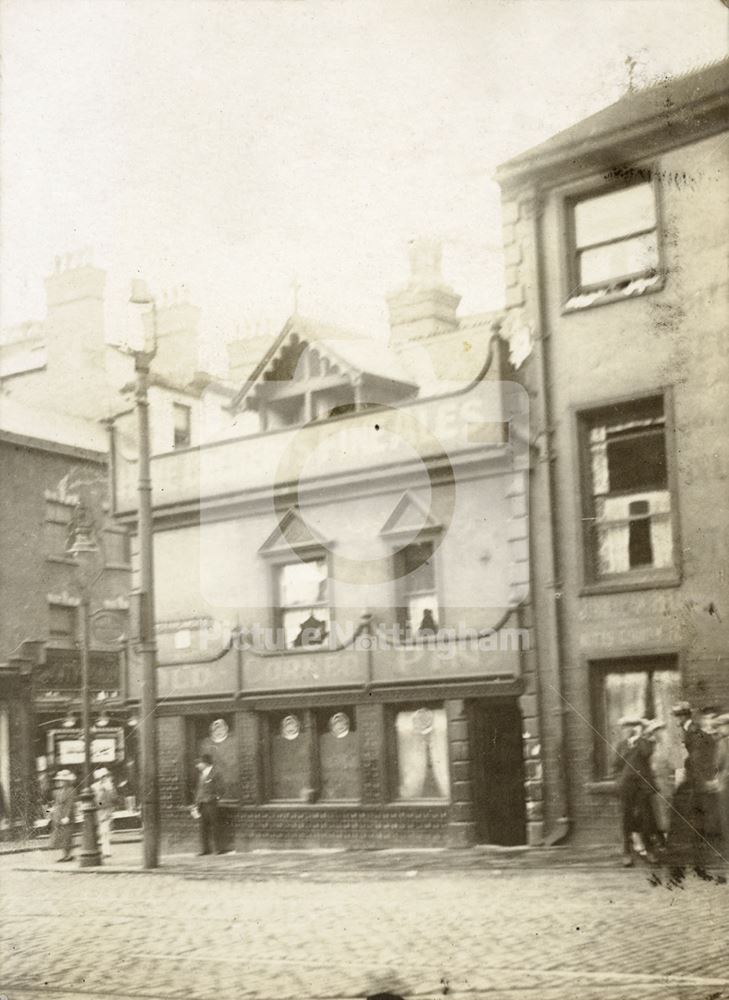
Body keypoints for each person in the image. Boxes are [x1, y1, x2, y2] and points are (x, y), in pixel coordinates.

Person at [615, 718, 661, 867]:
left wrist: (640, 737)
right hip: (626, 786)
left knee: (646, 818)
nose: (627, 730)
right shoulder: (621, 745)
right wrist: (619, 781)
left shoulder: (645, 743)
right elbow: (615, 765)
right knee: (626, 818)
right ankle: (626, 852)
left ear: (636, 728)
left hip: (643, 787)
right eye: (624, 727)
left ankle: (650, 850)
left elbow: (647, 753)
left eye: (630, 727)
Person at [193, 753, 223, 856]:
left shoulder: (215, 773)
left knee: (215, 826)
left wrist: (215, 798)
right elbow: (199, 790)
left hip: (211, 804)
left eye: (199, 763)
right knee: (203, 827)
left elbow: (221, 788)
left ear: (205, 763)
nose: (198, 765)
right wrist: (196, 804)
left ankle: (217, 849)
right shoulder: (201, 775)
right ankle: (205, 849)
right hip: (202, 804)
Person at [50, 770, 76, 862]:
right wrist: (52, 811)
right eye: (60, 780)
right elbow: (56, 803)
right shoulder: (58, 791)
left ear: (67, 781)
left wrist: (67, 816)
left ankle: (68, 855)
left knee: (67, 836)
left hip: (66, 816)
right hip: (59, 815)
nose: (60, 782)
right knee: (60, 836)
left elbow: (70, 804)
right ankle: (64, 854)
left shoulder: (71, 790)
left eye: (63, 780)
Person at [714, 712, 729, 863]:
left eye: (721, 726)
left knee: (725, 817)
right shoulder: (722, 741)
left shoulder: (722, 743)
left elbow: (718, 763)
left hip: (725, 783)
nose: (719, 729)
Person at [92, 767, 116, 858]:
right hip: (99, 811)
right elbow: (97, 800)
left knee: (104, 831)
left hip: (106, 810)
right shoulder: (95, 786)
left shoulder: (109, 786)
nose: (103, 778)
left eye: (105, 776)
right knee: (101, 832)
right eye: (102, 776)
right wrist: (99, 803)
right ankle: (105, 850)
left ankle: (106, 851)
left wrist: (101, 803)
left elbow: (112, 798)